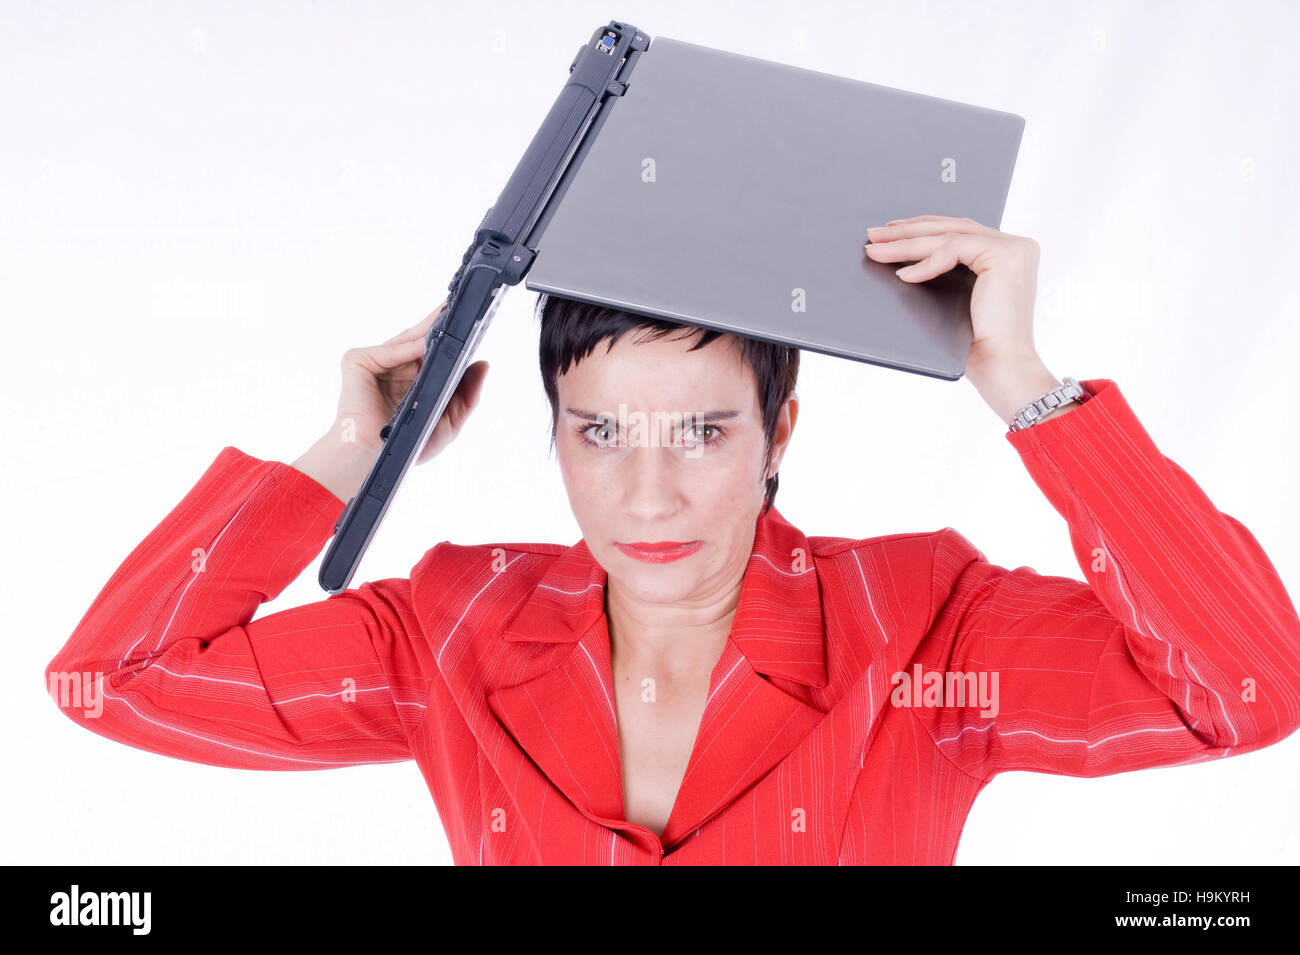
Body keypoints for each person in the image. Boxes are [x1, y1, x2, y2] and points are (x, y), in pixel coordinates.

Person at [45, 214, 1300, 864]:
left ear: (779, 432)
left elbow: (1247, 689)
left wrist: (1023, 381)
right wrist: (349, 453)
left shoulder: (925, 626)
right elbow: (114, 682)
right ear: (549, 433)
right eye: (599, 434)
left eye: (701, 433)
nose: (645, 499)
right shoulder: (449, 627)